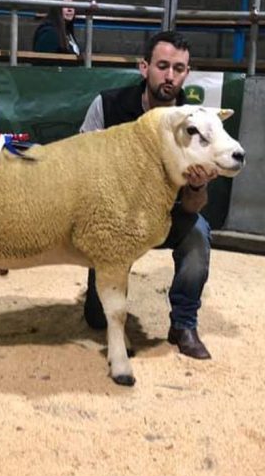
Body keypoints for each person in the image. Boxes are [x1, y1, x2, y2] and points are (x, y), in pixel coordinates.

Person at [79, 30, 218, 360]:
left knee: (198, 233)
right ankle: (105, 301)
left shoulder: (196, 122)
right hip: (114, 221)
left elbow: (194, 205)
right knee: (96, 319)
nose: (170, 76)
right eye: (163, 65)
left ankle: (184, 323)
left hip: (168, 218)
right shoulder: (107, 106)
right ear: (145, 67)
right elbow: (81, 175)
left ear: (187, 73)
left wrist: (197, 185)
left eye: (179, 69)